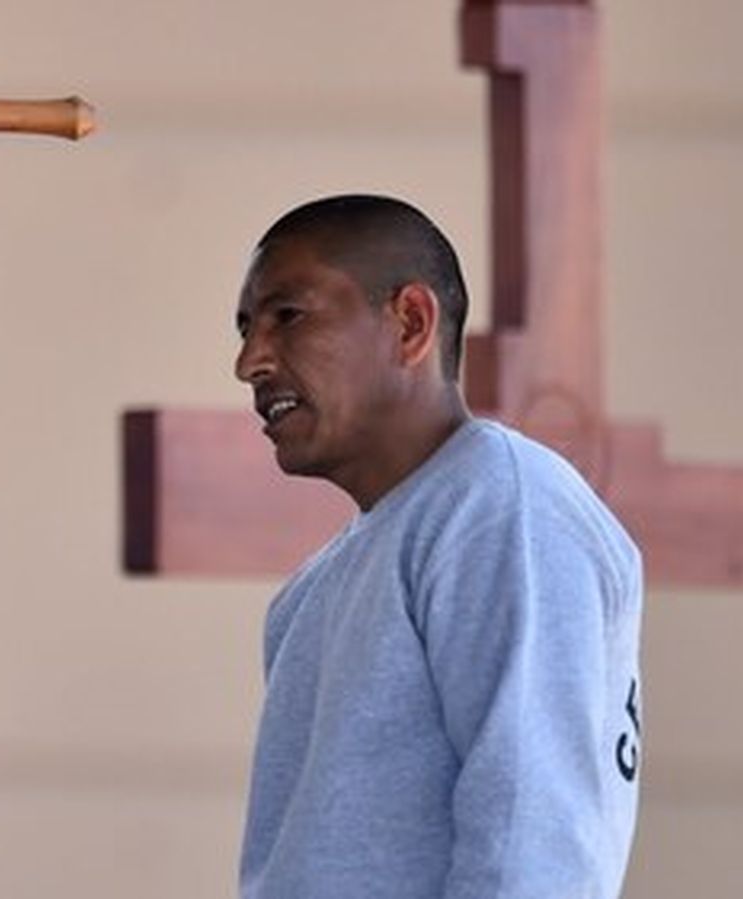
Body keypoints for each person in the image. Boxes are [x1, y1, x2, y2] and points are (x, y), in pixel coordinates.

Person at [233, 194, 642, 898]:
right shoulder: (310, 591)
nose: (248, 362)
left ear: (411, 323)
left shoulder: (502, 506)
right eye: (245, 329)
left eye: (287, 316)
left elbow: (534, 841)